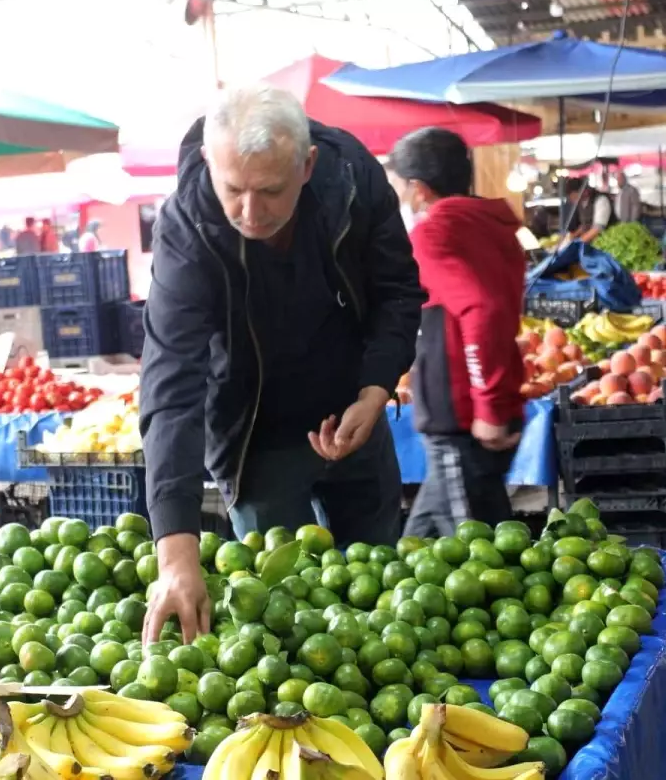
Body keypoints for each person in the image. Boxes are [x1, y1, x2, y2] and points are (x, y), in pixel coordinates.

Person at [139, 84, 424, 643]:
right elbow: (172, 382)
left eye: (270, 191)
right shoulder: (186, 230)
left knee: (385, 604)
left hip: (352, 410)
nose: (250, 211)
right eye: (234, 190)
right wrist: (175, 549)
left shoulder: (352, 180)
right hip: (255, 437)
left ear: (307, 165)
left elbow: (397, 291)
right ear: (208, 162)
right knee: (281, 622)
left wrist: (374, 389)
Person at [386, 128, 526, 537]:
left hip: (461, 417)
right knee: (419, 545)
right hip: (468, 414)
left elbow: (483, 309)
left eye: (397, 187)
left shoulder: (434, 233)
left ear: (418, 189)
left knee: (479, 552)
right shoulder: (492, 225)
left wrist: (487, 406)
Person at [564, 177, 615, 244]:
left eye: (573, 196)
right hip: (590, 243)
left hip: (604, 243)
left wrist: (577, 243)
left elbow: (597, 229)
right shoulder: (581, 203)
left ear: (582, 191)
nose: (572, 200)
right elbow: (585, 225)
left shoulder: (601, 200)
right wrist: (573, 236)